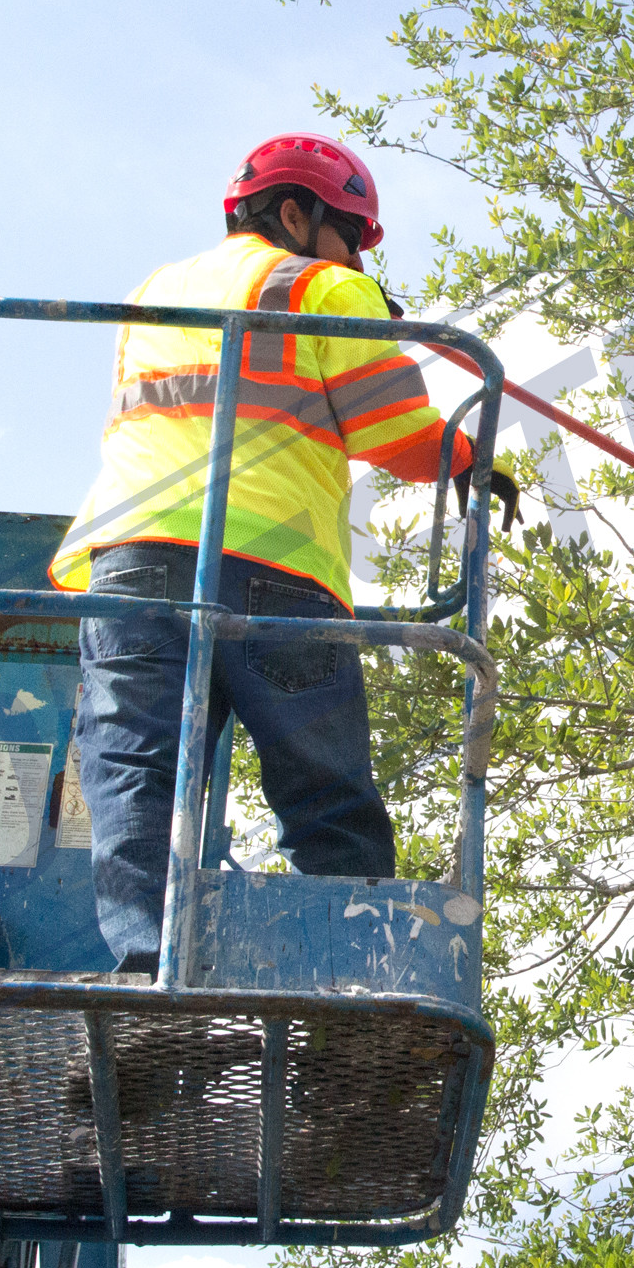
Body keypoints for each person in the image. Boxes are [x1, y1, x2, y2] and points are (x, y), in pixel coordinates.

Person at [49, 133, 518, 970]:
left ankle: (145, 973)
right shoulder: (322, 286)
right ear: (297, 214)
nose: (357, 259)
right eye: (351, 235)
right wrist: (465, 458)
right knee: (324, 788)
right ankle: (351, 979)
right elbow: (394, 430)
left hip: (133, 563)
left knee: (136, 778)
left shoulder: (153, 291)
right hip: (275, 571)